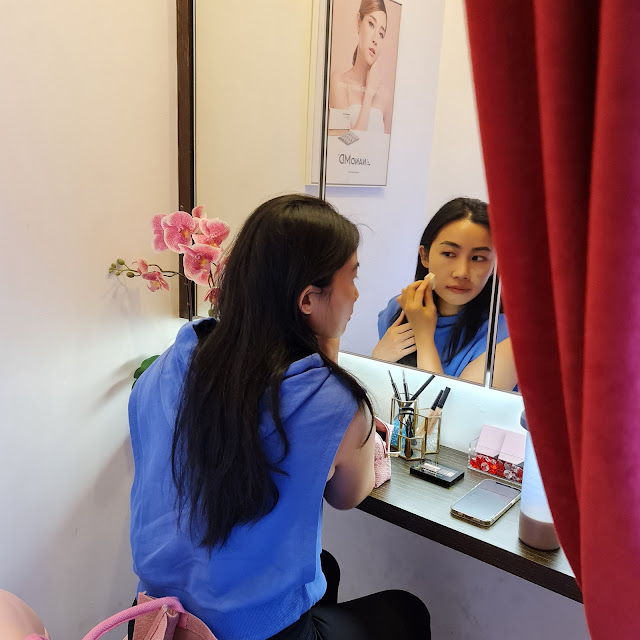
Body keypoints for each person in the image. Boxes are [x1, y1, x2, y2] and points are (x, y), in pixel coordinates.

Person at [129, 194, 431, 640]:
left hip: (156, 621)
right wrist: (332, 363)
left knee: (324, 568)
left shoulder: (174, 361)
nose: (356, 294)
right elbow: (349, 494)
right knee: (407, 611)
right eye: (351, 278)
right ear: (308, 299)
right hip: (250, 634)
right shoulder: (333, 401)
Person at [373, 197, 517, 389]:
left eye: (478, 258)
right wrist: (378, 357)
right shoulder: (399, 309)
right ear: (424, 256)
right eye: (449, 254)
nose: (462, 272)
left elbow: (450, 406)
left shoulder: (507, 338)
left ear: (494, 265)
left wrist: (424, 337)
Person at [329, 0, 392, 134]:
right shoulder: (338, 82)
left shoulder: (386, 97)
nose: (375, 39)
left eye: (381, 34)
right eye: (371, 24)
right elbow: (345, 144)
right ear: (359, 22)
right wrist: (368, 94)